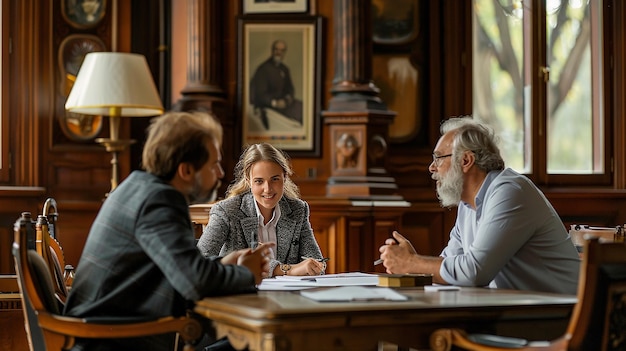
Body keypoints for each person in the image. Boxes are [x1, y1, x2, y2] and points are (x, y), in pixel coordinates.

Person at [63, 111, 274, 351]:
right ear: (185, 171)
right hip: (108, 344)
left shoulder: (138, 186)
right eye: (214, 164)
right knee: (263, 344)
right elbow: (194, 283)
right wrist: (246, 274)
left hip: (108, 338)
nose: (221, 174)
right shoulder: (160, 201)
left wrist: (225, 263)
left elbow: (179, 266)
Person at [377, 116, 580, 295]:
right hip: (518, 312)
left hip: (559, 315)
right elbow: (452, 267)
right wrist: (413, 263)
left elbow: (474, 272)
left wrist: (412, 262)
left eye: (438, 158)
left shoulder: (510, 192)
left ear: (466, 160)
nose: (432, 167)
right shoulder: (468, 204)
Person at [197, 142, 325, 277]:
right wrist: (287, 269)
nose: (268, 189)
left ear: (285, 177)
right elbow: (199, 261)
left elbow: (316, 261)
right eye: (259, 181)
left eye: (275, 179)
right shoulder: (226, 211)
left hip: (287, 296)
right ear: (248, 180)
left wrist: (315, 266)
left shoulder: (298, 209)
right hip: (240, 294)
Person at [249, 40, 303, 129]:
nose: (279, 53)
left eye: (282, 51)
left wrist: (286, 100)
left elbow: (290, 89)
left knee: (303, 108)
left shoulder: (285, 69)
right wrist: (275, 103)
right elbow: (260, 94)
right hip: (270, 105)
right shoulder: (263, 69)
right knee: (298, 113)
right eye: (276, 50)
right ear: (272, 51)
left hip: (284, 104)